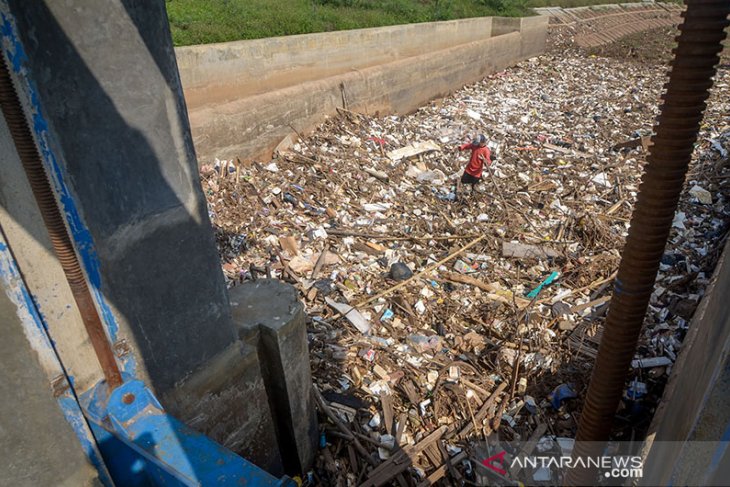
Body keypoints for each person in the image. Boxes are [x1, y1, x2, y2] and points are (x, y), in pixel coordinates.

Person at [456, 134, 492, 200]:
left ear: (482, 142)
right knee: (464, 182)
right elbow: (468, 145)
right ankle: (462, 196)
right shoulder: (475, 146)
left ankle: (471, 199)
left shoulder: (486, 150)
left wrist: (485, 161)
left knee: (473, 187)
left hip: (476, 172)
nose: (477, 145)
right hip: (469, 169)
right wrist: (461, 147)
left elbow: (489, 161)